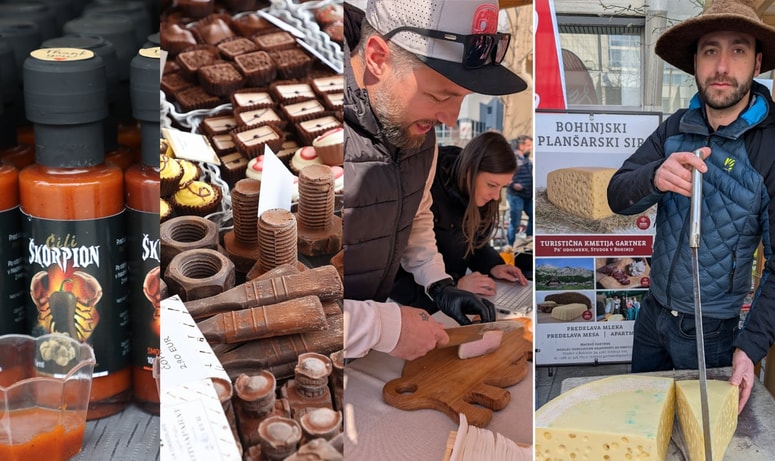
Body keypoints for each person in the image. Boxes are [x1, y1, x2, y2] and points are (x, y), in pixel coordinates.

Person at [607, 0, 775, 413]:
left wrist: (748, 348)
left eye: (737, 50)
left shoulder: (769, 146)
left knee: (705, 438)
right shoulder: (675, 126)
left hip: (712, 333)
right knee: (642, 421)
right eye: (709, 50)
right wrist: (653, 177)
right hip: (652, 316)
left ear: (756, 63)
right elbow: (616, 194)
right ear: (695, 63)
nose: (722, 66)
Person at [342, 0, 527, 360]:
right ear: (379, 59)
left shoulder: (421, 137)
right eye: (439, 96)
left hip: (368, 346)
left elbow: (416, 214)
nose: (451, 119)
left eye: (461, 99)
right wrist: (381, 325)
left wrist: (438, 283)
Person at [390, 131, 528, 313]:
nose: (496, 196)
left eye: (502, 187)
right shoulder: (426, 189)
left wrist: (494, 265)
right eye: (492, 185)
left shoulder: (477, 197)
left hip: (452, 300)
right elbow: (397, 271)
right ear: (469, 171)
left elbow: (474, 244)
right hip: (412, 306)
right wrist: (452, 286)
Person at [506, 135, 533, 245]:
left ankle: (529, 241)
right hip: (516, 196)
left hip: (528, 195)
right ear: (521, 146)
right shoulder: (512, 158)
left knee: (534, 217)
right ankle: (511, 246)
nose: (530, 147)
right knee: (515, 222)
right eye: (528, 145)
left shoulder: (526, 159)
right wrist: (513, 184)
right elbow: (505, 176)